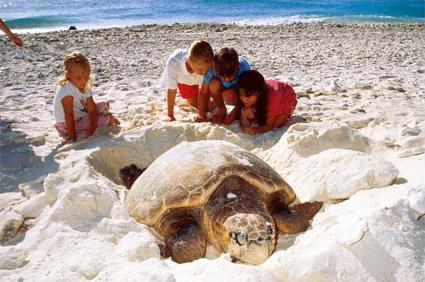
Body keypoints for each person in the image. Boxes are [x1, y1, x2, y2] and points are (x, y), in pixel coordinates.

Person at [53, 52, 119, 144]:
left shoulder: (84, 86)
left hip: (79, 113)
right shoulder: (67, 90)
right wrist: (72, 136)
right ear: (69, 75)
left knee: (104, 105)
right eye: (79, 78)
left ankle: (102, 116)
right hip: (67, 125)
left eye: (86, 77)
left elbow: (92, 110)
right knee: (108, 119)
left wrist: (93, 126)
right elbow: (68, 115)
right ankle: (106, 118)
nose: (83, 81)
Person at [159, 40, 214, 121]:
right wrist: (170, 115)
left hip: (201, 83)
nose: (204, 73)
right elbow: (171, 90)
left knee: (206, 108)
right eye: (201, 70)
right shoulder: (173, 63)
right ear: (189, 62)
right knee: (194, 106)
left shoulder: (205, 67)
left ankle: (215, 100)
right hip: (184, 81)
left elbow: (204, 91)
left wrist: (201, 115)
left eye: (207, 69)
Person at [198, 47, 250, 124]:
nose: (226, 79)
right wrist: (201, 115)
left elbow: (247, 93)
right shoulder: (211, 68)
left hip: (237, 92)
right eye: (222, 76)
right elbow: (203, 92)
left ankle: (237, 110)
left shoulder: (243, 67)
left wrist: (233, 115)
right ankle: (222, 109)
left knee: (229, 95)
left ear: (238, 66)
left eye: (230, 76)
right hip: (221, 90)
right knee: (213, 83)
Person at [237, 70, 297, 135]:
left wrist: (254, 130)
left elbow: (269, 126)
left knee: (277, 124)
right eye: (241, 95)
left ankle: (293, 104)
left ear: (258, 92)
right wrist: (243, 114)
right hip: (270, 93)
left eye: (248, 96)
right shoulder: (252, 94)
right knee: (251, 113)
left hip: (285, 95)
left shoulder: (272, 99)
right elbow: (244, 126)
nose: (243, 99)